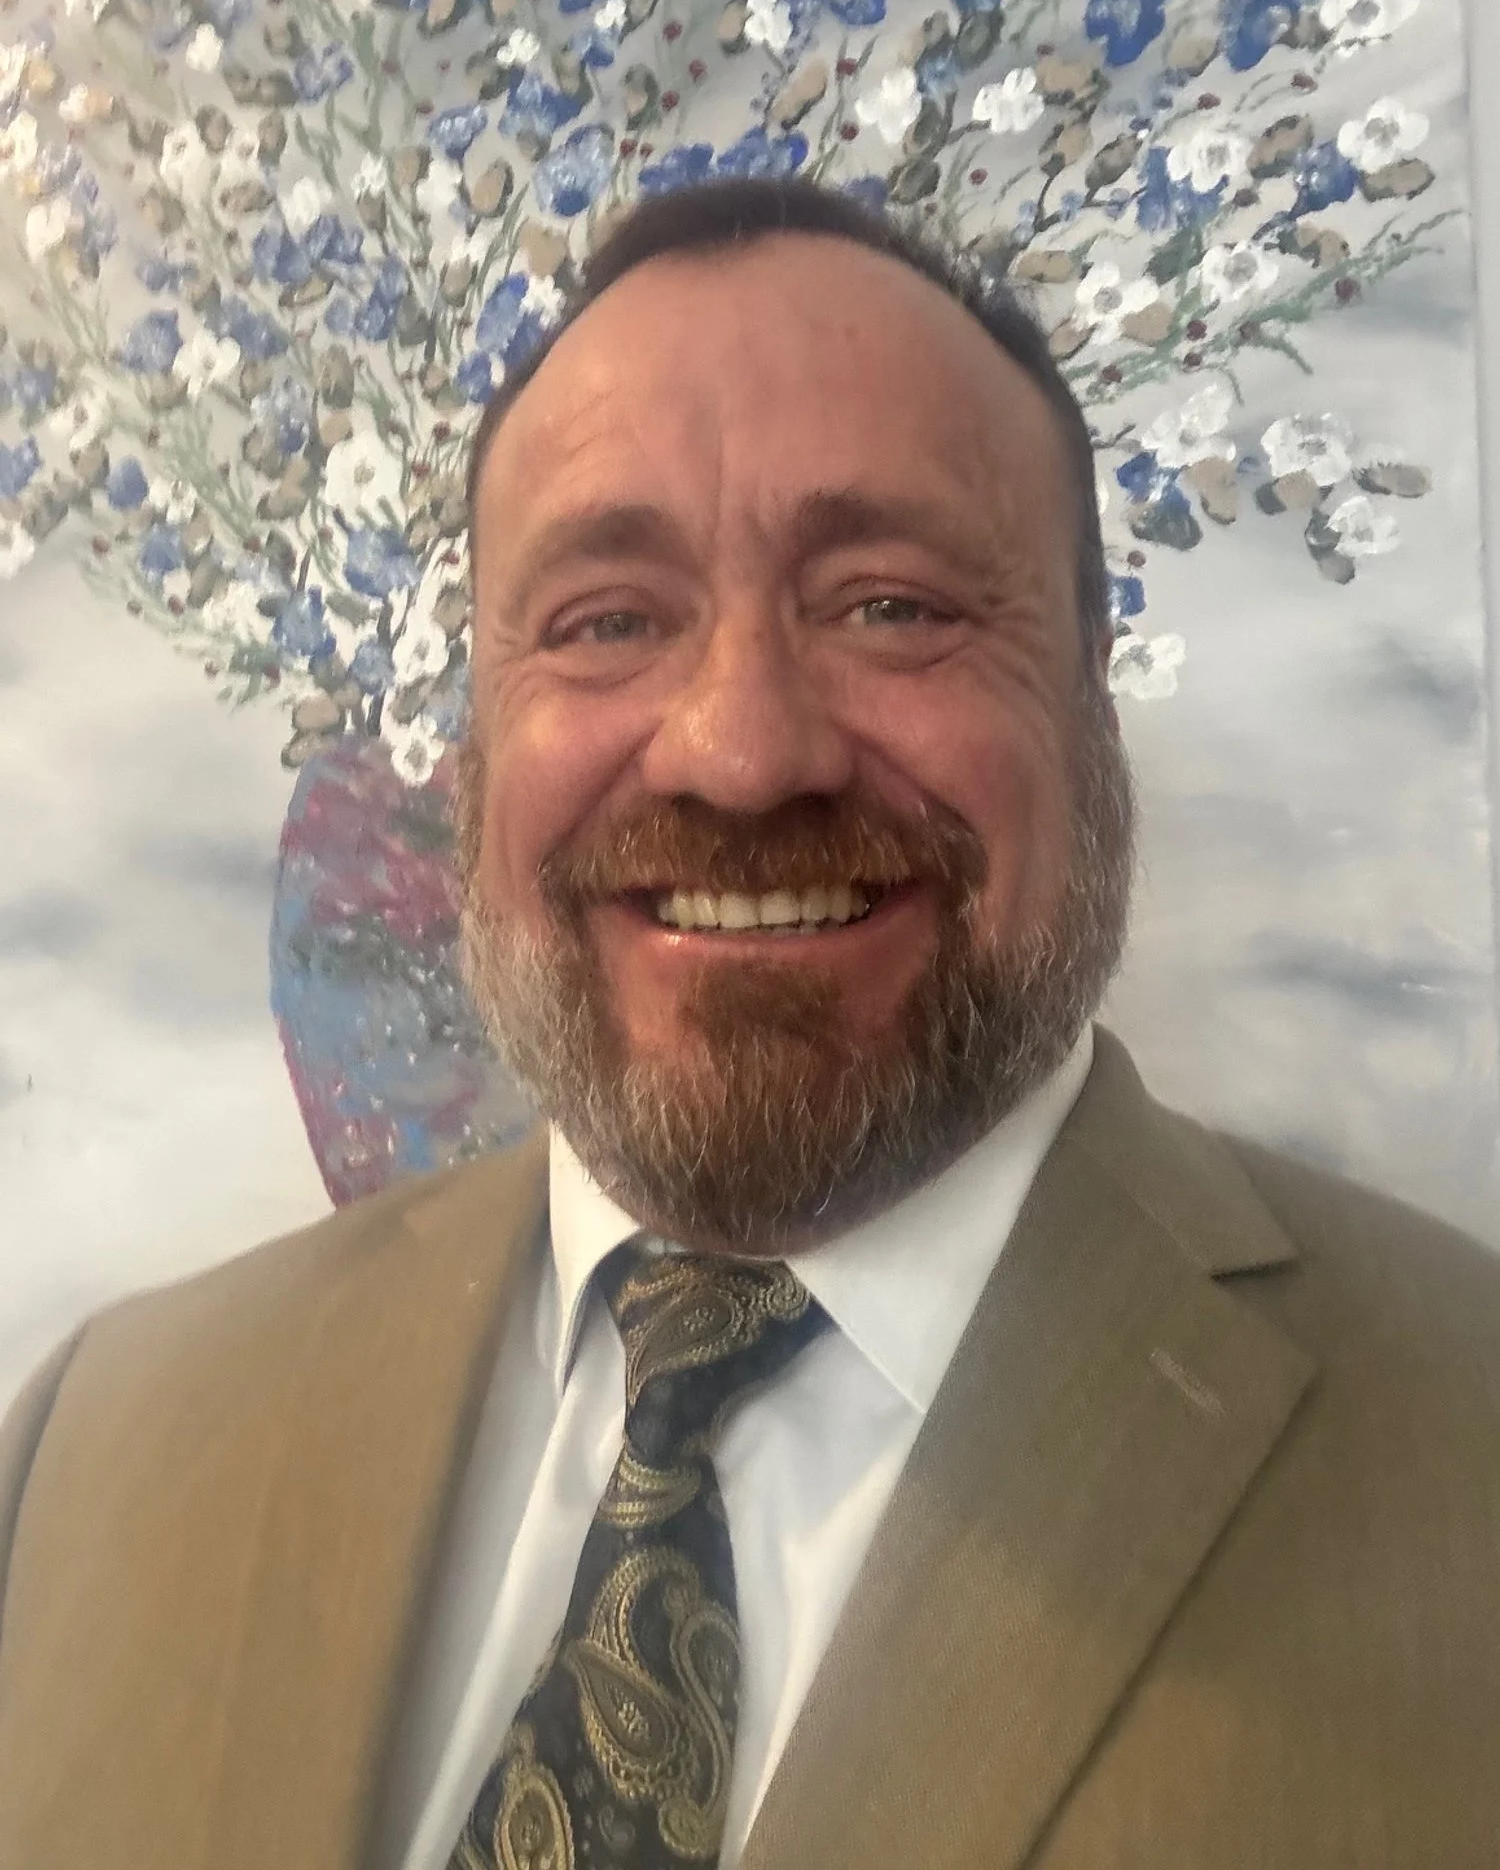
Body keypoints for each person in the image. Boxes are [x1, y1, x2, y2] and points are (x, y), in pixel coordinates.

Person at [2, 175, 1498, 1870]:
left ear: (1091, 684)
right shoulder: (90, 1448)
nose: (739, 751)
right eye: (607, 622)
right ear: (475, 739)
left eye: (891, 604)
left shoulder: (1468, 1450)